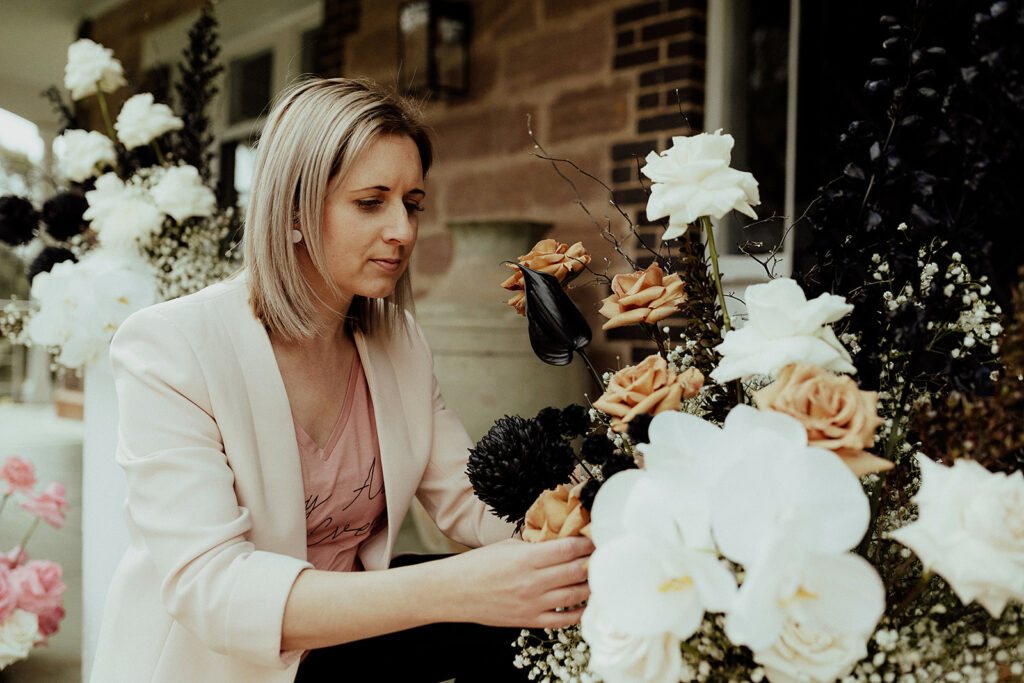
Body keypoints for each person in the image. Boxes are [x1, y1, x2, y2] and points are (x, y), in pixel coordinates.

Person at [89, 78, 593, 683]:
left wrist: (593, 520)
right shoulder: (171, 347)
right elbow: (212, 588)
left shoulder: (397, 338)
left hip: (343, 651)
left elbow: (468, 497)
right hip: (217, 665)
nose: (402, 231)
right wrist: (458, 585)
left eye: (412, 203)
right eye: (370, 201)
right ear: (296, 208)